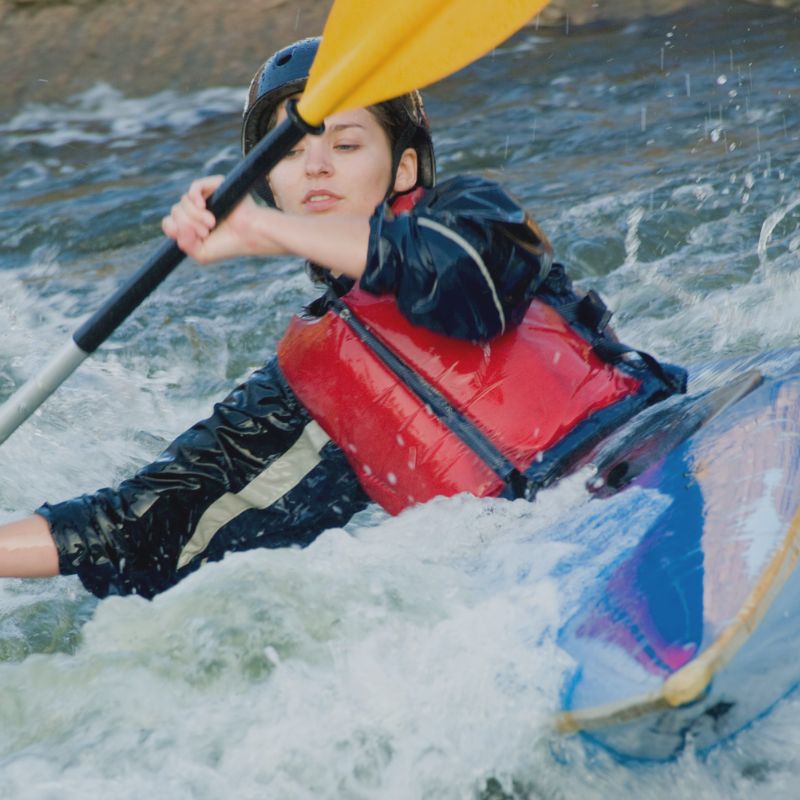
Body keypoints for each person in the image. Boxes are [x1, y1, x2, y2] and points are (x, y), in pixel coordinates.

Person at [0, 38, 685, 599]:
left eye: (346, 145)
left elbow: (461, 285)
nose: (316, 166)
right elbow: (140, 524)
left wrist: (272, 233)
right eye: (290, 153)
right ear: (268, 184)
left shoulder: (476, 217)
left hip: (658, 449)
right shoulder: (310, 376)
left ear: (405, 166)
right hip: (543, 556)